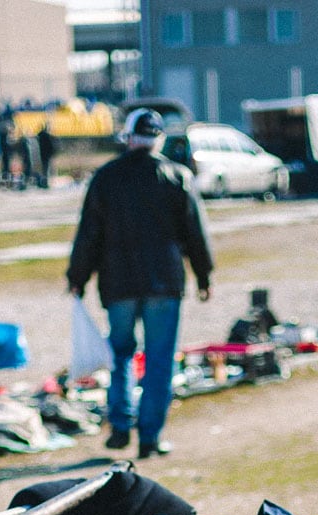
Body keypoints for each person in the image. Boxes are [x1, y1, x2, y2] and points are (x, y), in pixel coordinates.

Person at [66, 108, 213, 460]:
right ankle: (150, 436)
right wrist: (204, 274)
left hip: (118, 283)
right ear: (159, 138)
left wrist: (77, 277)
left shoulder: (105, 178)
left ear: (127, 137)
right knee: (159, 359)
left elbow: (89, 233)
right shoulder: (176, 176)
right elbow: (195, 230)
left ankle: (120, 425)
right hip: (164, 281)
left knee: (120, 354)